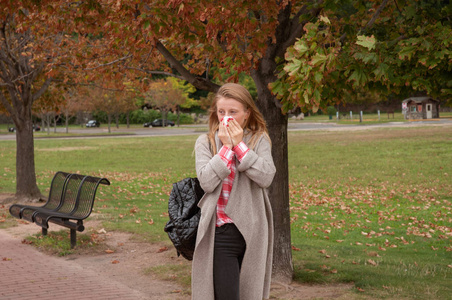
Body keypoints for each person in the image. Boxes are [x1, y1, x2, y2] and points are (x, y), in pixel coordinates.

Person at [192, 83, 276, 300]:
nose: (226, 118)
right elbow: (207, 182)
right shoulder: (206, 142)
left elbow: (266, 176)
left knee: (251, 294)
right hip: (220, 233)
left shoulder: (259, 140)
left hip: (253, 232)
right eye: (221, 112)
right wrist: (227, 148)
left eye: (233, 112)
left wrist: (240, 146)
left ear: (247, 114)